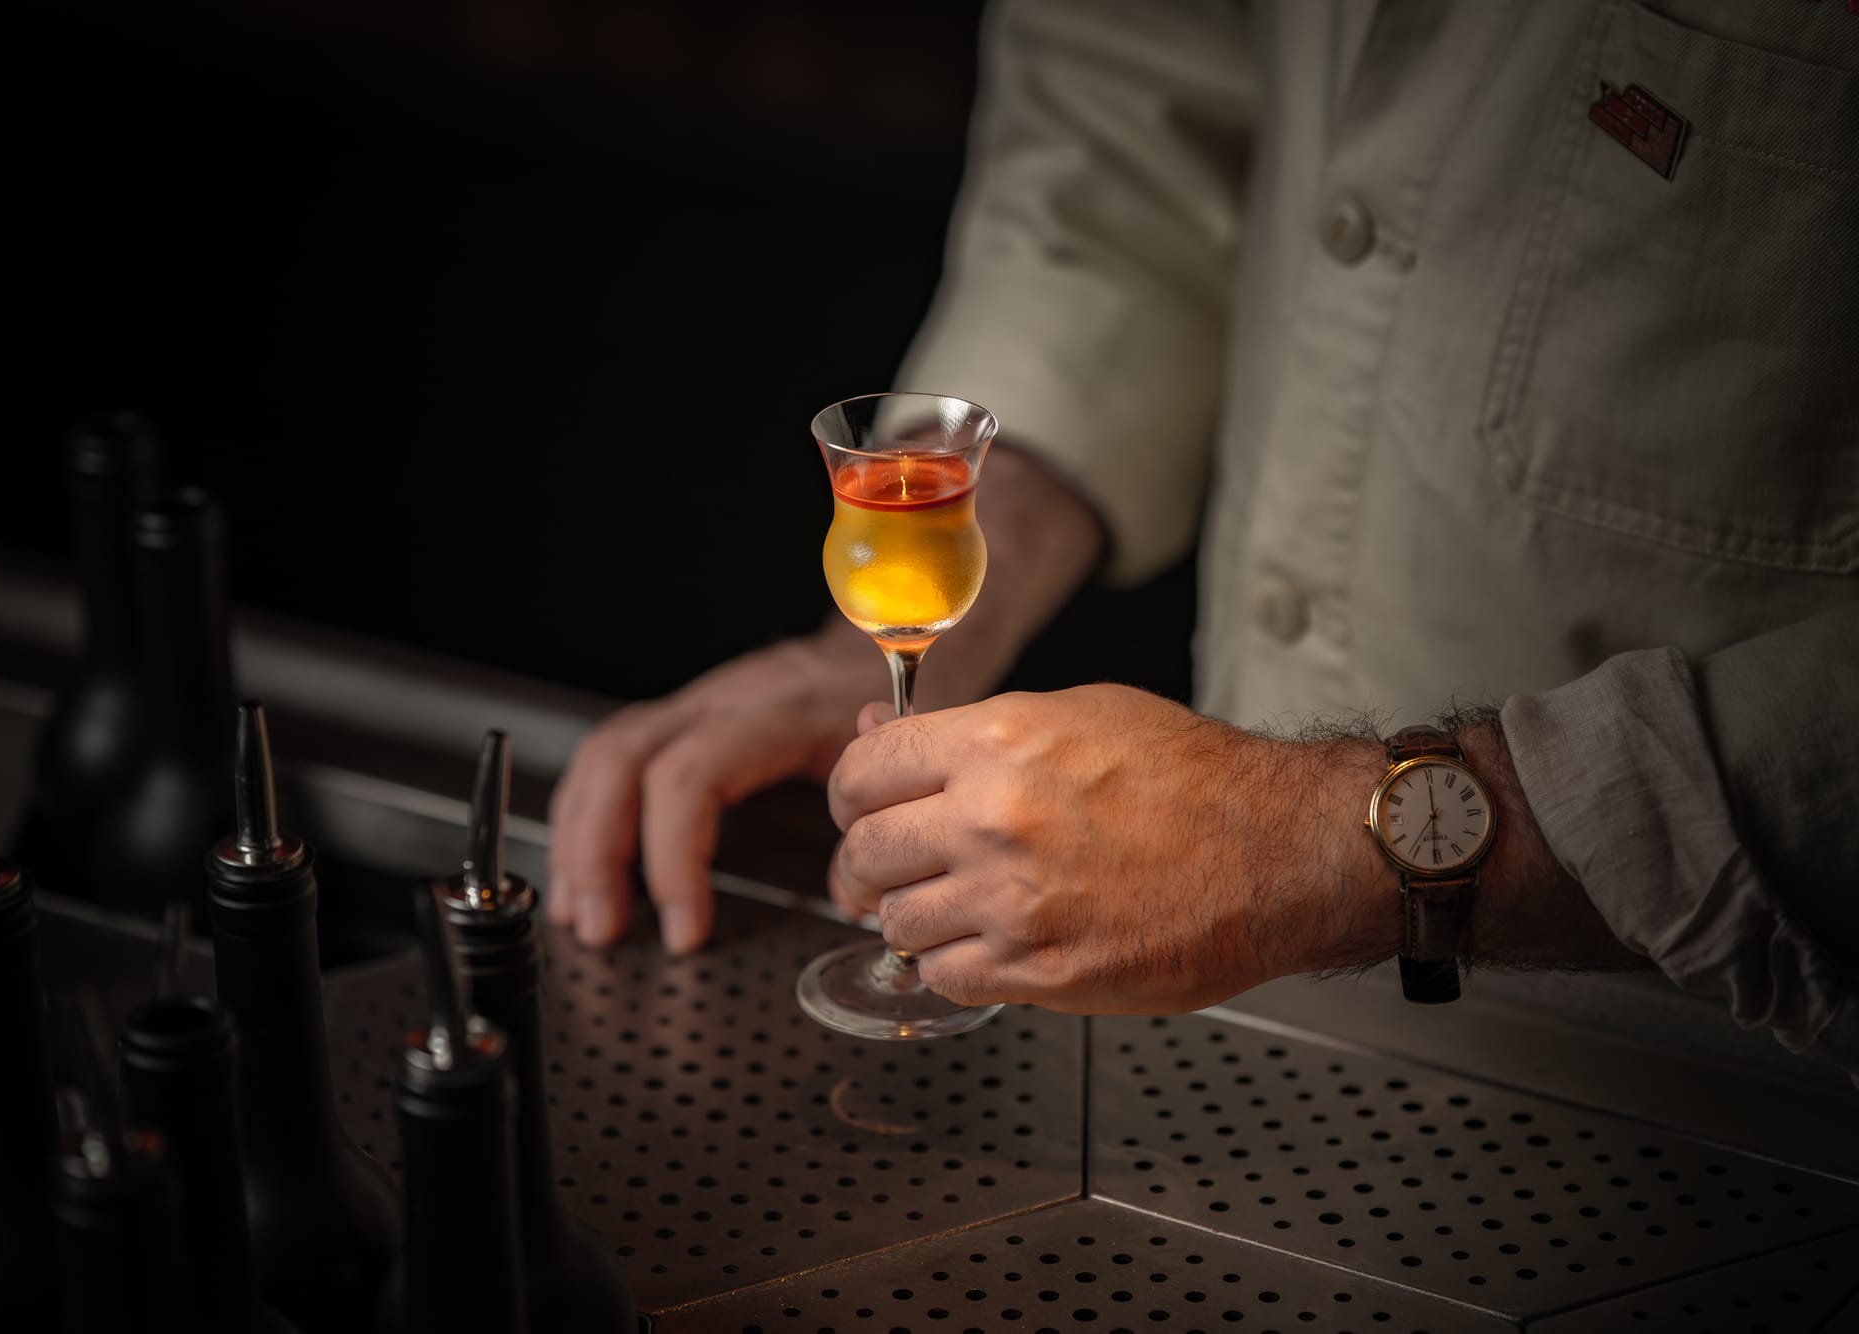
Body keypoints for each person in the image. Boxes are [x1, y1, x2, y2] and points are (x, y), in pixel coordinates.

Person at [546, 1, 1858, 1069]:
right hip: (1268, 1023)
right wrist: (882, 646)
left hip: (1733, 1046)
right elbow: (1132, 144)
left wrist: (1311, 841)